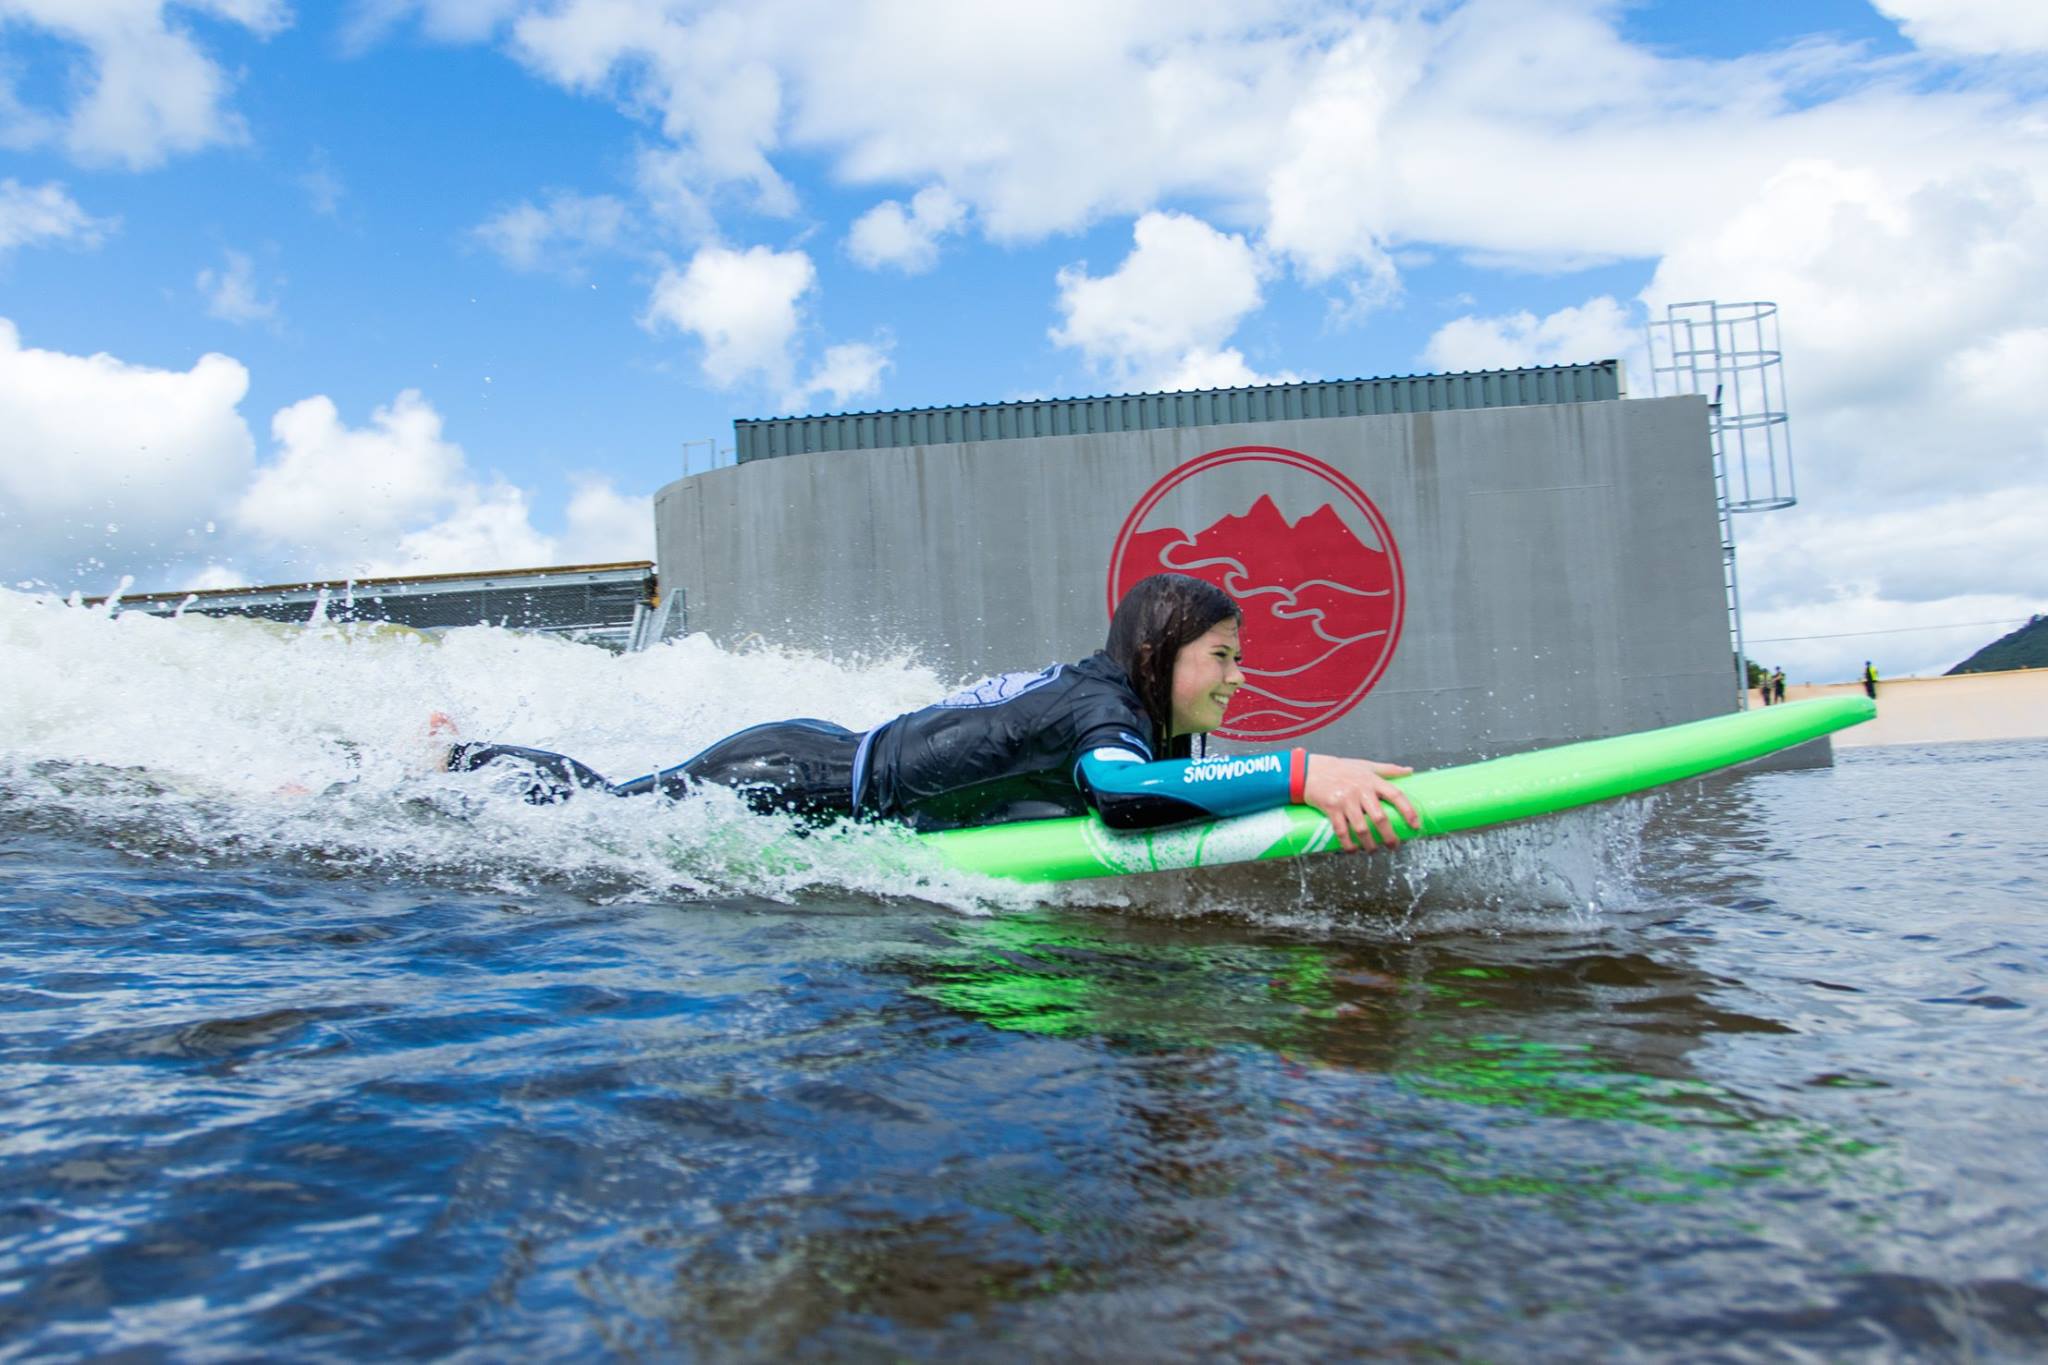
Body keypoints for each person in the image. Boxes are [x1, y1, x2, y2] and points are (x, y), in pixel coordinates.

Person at [446, 573, 1422, 851]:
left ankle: (456, 759)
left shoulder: (1108, 696)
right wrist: (1301, 774)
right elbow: (1124, 798)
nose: (1236, 679)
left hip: (821, 755)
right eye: (1222, 659)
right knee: (604, 814)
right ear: (1159, 655)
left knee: (616, 801)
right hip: (786, 782)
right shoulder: (1102, 709)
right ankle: (454, 762)